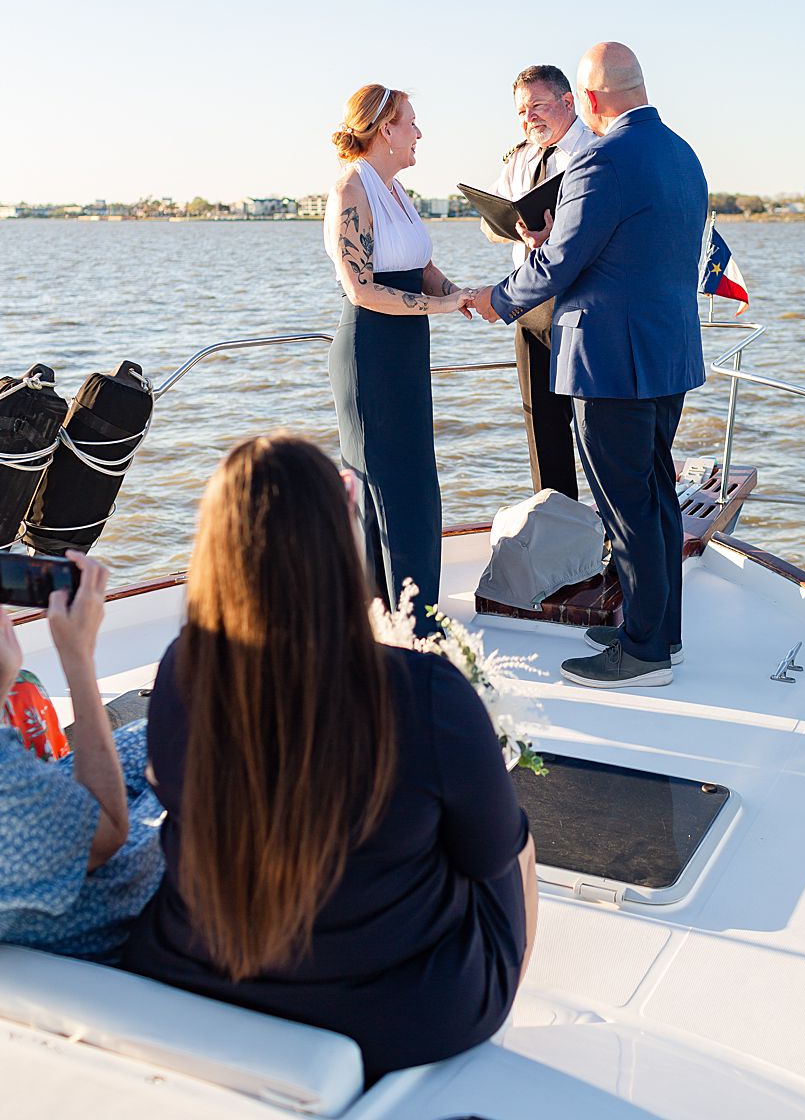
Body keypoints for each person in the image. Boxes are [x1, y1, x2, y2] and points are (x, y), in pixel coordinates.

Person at [122, 435, 537, 1079]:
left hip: (199, 974)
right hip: (402, 1019)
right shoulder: (423, 693)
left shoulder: (183, 672)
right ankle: (494, 1058)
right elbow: (489, 857)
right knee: (513, 841)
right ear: (339, 548)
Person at [469, 42, 708, 689]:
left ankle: (645, 654)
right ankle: (662, 631)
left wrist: (493, 300)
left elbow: (559, 265)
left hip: (611, 360)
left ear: (592, 102)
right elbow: (632, 249)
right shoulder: (683, 155)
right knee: (655, 497)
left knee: (629, 508)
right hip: (666, 353)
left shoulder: (603, 158)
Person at [322, 84, 475, 626]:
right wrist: (439, 305)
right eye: (412, 122)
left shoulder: (397, 190)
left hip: (407, 349)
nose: (419, 133)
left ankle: (415, 612)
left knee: (416, 482)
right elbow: (361, 288)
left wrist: (466, 296)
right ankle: (396, 621)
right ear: (385, 129)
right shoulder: (352, 190)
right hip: (371, 352)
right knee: (385, 489)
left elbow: (422, 267)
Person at [0, 555, 163, 958]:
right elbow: (109, 835)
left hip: (30, 867)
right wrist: (78, 656)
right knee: (209, 755)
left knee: (154, 735)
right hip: (112, 906)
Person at [482, 65, 597, 501]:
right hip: (528, 305)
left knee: (594, 429)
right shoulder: (521, 158)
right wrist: (516, 228)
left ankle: (611, 532)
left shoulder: (595, 151)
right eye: (521, 111)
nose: (528, 118)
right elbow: (488, 227)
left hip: (579, 304)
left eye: (537, 106)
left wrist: (558, 234)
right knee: (542, 428)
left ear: (568, 103)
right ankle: (558, 532)